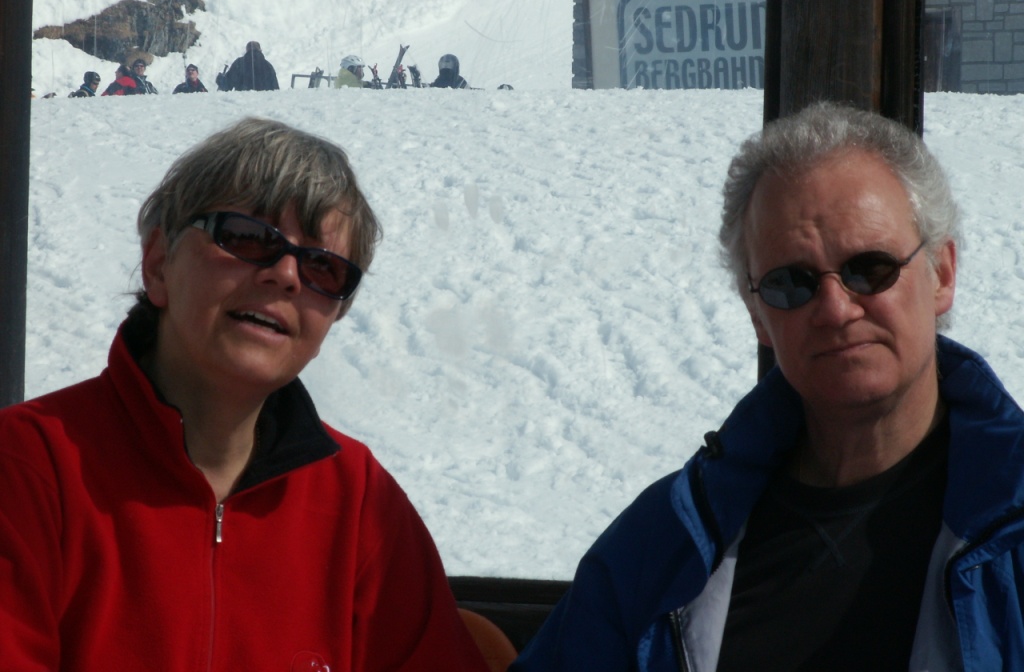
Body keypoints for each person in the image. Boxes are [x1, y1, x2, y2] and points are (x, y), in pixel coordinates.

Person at [511, 103, 1024, 671]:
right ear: (756, 313)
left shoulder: (1012, 520)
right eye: (790, 283)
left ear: (942, 274)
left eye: (870, 268)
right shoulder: (663, 546)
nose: (835, 309)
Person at [0, 117, 490, 672]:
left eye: (323, 268)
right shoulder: (29, 469)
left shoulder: (358, 503)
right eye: (248, 238)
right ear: (158, 263)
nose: (286, 276)